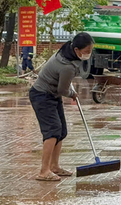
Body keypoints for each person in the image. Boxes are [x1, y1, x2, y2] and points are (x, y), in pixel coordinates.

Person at [29, 33, 94, 181]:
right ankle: (44, 171)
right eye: (86, 51)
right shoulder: (67, 66)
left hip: (52, 95)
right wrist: (71, 93)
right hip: (42, 95)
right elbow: (62, 90)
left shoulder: (67, 52)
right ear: (77, 50)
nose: (88, 54)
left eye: (90, 50)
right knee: (52, 131)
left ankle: (54, 166)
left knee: (61, 130)